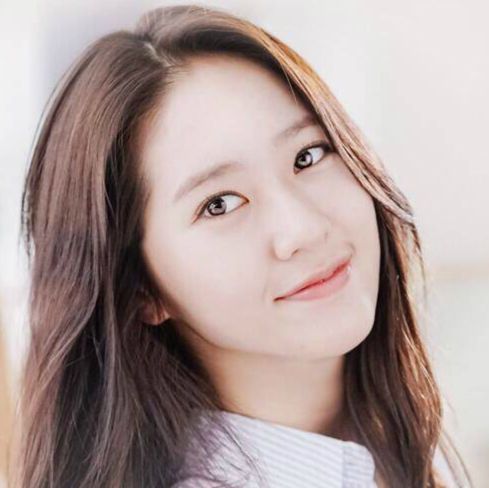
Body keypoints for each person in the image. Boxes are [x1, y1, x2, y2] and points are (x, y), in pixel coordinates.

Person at [12, 4, 473, 487]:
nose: (303, 228)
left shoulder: (397, 440)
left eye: (308, 155)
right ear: (140, 288)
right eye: (220, 204)